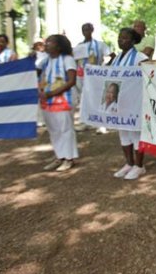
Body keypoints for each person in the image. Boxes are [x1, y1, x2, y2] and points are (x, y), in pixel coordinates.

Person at [111, 27, 149, 180]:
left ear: (133, 41)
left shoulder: (140, 57)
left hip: (135, 101)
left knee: (136, 133)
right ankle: (129, 163)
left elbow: (148, 75)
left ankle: (139, 166)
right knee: (123, 133)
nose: (121, 41)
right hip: (120, 101)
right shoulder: (117, 58)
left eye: (125, 38)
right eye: (119, 38)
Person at [38, 34, 79, 172]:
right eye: (46, 42)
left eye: (50, 42)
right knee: (54, 130)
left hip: (63, 99)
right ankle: (59, 156)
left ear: (59, 46)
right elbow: (34, 72)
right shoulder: (45, 60)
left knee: (65, 129)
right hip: (48, 101)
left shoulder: (68, 60)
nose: (47, 44)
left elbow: (72, 81)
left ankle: (69, 158)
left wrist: (52, 93)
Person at [73, 23, 111, 133]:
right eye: (84, 29)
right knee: (84, 99)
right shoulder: (79, 46)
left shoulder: (100, 45)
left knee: (98, 98)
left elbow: (111, 56)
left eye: (88, 29)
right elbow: (76, 60)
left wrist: (105, 67)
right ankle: (85, 122)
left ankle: (101, 124)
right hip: (82, 76)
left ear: (92, 30)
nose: (86, 31)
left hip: (96, 76)